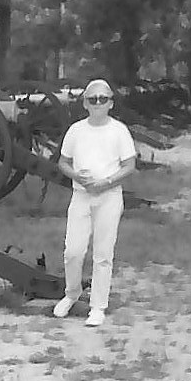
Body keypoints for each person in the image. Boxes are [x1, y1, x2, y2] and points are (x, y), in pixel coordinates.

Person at [53, 79, 137, 327]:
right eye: (93, 99)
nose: (98, 103)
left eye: (102, 99)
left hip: (109, 196)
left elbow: (129, 165)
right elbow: (63, 162)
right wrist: (77, 176)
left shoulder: (119, 131)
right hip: (81, 195)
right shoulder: (76, 130)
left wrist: (107, 181)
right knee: (73, 251)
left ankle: (98, 306)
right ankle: (72, 293)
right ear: (85, 104)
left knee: (103, 253)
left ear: (111, 103)